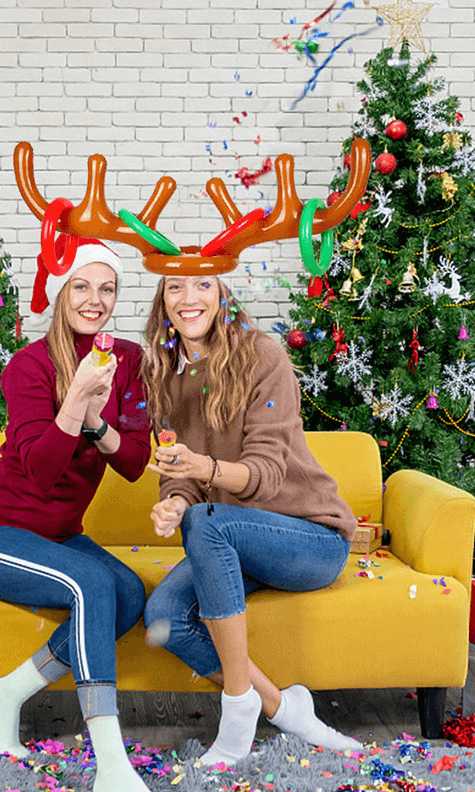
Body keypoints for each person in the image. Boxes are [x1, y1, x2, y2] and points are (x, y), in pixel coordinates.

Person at [0, 236, 152, 792]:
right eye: (82, 287)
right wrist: (74, 403)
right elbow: (40, 471)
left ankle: (10, 690)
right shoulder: (28, 367)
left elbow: (135, 462)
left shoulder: (129, 362)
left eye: (107, 288)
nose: (95, 299)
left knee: (129, 595)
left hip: (58, 534)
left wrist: (96, 422)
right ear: (62, 292)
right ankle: (112, 763)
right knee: (92, 583)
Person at [141, 274, 363, 768]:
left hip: (310, 539)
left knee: (208, 521)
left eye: (202, 284)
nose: (188, 299)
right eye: (174, 288)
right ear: (162, 301)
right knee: (163, 617)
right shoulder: (163, 373)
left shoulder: (265, 356)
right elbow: (180, 475)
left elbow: (264, 473)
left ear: (223, 295)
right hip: (231, 537)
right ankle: (285, 708)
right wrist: (175, 502)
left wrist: (200, 475)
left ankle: (237, 709)